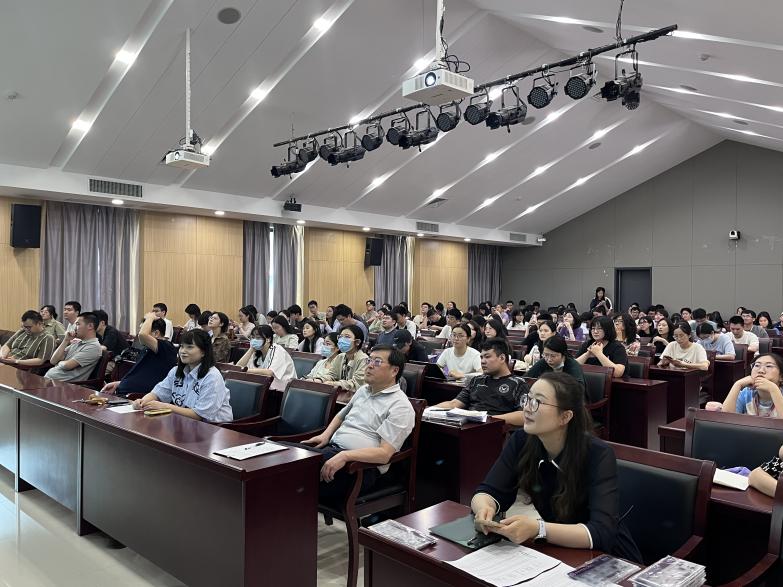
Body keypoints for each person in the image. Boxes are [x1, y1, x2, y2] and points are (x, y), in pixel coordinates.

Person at [472, 372, 642, 562]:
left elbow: (602, 533)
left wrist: (539, 529)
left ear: (565, 416)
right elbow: (488, 490)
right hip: (560, 551)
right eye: (527, 399)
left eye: (538, 402)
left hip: (609, 557)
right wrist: (483, 509)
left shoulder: (598, 454)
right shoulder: (521, 440)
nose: (527, 408)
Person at [300, 345, 415, 501]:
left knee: (290, 470)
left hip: (360, 469)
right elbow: (341, 415)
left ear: (394, 371)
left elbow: (384, 454)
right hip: (333, 452)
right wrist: (325, 435)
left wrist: (345, 456)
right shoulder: (363, 390)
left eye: (377, 362)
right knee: (283, 455)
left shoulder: (401, 406)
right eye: (369, 360)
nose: (370, 365)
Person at [132, 329, 233, 423]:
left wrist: (165, 407)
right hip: (185, 423)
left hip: (215, 428)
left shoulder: (212, 377)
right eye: (182, 346)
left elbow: (199, 415)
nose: (183, 351)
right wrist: (142, 402)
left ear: (203, 352)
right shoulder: (176, 371)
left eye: (189, 347)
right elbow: (158, 393)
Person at [435, 338, 529, 426]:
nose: (482, 361)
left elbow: (524, 415)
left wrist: (488, 419)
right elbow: (454, 404)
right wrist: (430, 410)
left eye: (487, 357)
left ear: (502, 358)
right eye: (481, 357)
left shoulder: (518, 384)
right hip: (468, 427)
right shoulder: (477, 380)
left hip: (494, 428)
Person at [102, 315, 178, 397]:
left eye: (144, 329)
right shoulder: (147, 349)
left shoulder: (167, 347)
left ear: (156, 333)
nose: (138, 335)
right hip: (123, 393)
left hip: (137, 398)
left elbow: (142, 335)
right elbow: (140, 377)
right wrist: (119, 383)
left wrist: (150, 317)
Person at [236, 325, 297, 391]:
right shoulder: (256, 350)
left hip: (283, 389)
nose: (254, 340)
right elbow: (238, 367)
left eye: (258, 338)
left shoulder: (277, 350)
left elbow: (269, 373)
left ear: (268, 339)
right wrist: (251, 350)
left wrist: (245, 370)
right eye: (253, 337)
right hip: (265, 385)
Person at [44, 312, 103, 381]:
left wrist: (59, 362)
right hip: (50, 380)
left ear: (90, 326)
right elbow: (53, 361)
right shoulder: (78, 342)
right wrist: (66, 340)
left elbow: (67, 366)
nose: (74, 328)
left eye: (77, 324)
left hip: (63, 384)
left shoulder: (93, 347)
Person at [321, 325, 369, 396]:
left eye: (347, 337)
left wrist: (335, 384)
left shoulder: (364, 360)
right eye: (340, 337)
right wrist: (319, 380)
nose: (342, 340)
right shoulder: (340, 356)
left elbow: (356, 383)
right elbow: (332, 375)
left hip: (356, 397)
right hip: (339, 395)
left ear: (357, 342)